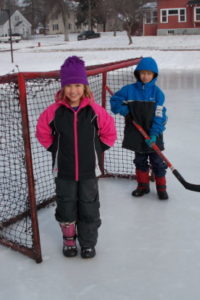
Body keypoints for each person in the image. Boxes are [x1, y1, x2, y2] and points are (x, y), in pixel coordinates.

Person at [36, 56, 117, 258]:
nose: (74, 90)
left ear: (85, 86)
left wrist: (98, 150)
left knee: (89, 206)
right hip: (64, 171)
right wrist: (55, 148)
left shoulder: (94, 111)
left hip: (89, 171)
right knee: (66, 204)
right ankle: (69, 240)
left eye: (78, 85)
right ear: (63, 88)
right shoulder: (54, 111)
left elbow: (110, 132)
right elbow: (42, 132)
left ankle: (88, 242)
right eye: (69, 85)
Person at [110, 57, 168, 200]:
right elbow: (114, 101)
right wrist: (125, 111)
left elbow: (160, 116)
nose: (145, 76)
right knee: (140, 161)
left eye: (149, 73)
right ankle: (143, 186)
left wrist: (154, 134)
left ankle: (161, 188)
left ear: (154, 75)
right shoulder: (129, 90)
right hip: (136, 134)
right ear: (137, 74)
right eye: (142, 73)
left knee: (157, 162)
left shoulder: (158, 94)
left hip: (153, 134)